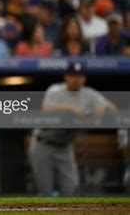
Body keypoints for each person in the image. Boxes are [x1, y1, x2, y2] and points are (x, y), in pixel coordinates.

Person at [28, 62, 115, 196]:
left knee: (71, 189)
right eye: (73, 75)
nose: (76, 79)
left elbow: (113, 108)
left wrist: (104, 106)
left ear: (84, 78)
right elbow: (46, 109)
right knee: (45, 191)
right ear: (66, 77)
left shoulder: (89, 94)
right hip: (43, 144)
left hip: (65, 147)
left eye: (80, 76)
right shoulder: (55, 90)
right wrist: (70, 108)